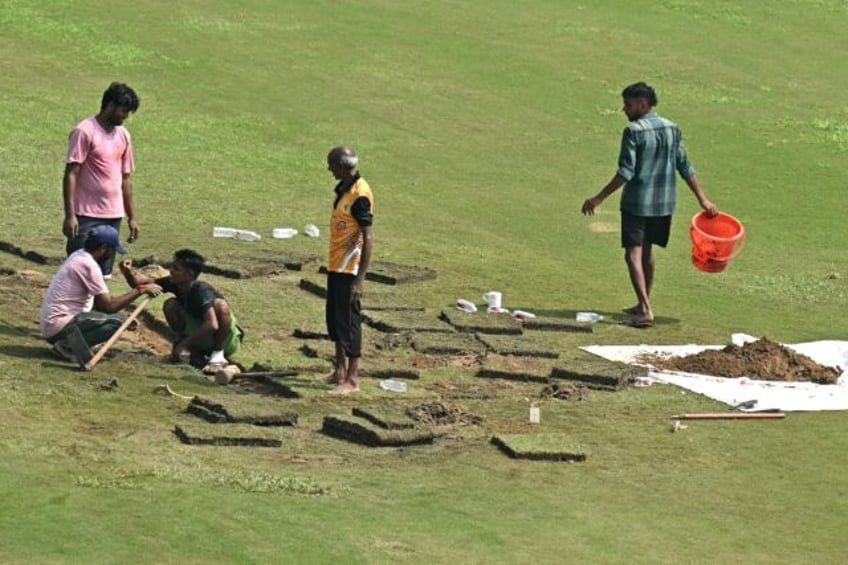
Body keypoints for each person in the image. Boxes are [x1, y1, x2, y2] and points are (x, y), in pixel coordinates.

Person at [581, 82, 718, 327]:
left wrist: (599, 198)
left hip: (637, 204)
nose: (625, 109)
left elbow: (626, 172)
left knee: (632, 254)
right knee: (648, 251)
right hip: (664, 204)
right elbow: (684, 166)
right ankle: (643, 302)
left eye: (629, 104)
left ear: (643, 104)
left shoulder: (634, 131)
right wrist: (703, 199)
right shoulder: (672, 128)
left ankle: (644, 309)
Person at [39, 225, 162, 363]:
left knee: (117, 318)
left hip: (52, 326)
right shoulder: (89, 266)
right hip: (59, 326)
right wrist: (140, 290)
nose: (112, 255)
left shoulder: (79, 255)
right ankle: (67, 347)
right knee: (119, 322)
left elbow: (101, 302)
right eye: (112, 250)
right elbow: (108, 306)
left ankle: (68, 344)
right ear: (103, 248)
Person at [63, 82, 140, 278]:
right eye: (124, 110)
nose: (126, 116)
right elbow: (71, 173)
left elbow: (126, 179)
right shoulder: (85, 131)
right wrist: (70, 215)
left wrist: (132, 217)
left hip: (113, 215)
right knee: (78, 271)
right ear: (110, 106)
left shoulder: (123, 135)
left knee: (103, 275)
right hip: (86, 214)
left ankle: (97, 309)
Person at [120, 249, 243, 370]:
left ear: (189, 274)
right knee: (170, 305)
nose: (171, 271)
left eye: (176, 269)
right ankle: (195, 352)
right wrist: (128, 272)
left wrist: (183, 345)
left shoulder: (201, 290)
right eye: (172, 267)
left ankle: (217, 354)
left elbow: (212, 325)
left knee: (221, 305)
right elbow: (140, 283)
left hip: (224, 341)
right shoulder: (173, 282)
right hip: (201, 336)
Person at [324, 146, 374, 394]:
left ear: (342, 166)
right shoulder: (343, 188)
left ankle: (352, 379)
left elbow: (368, 236)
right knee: (335, 319)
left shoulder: (359, 195)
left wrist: (360, 278)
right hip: (336, 264)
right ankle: (339, 370)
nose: (328, 168)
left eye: (331, 164)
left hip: (349, 268)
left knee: (351, 321)